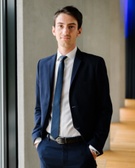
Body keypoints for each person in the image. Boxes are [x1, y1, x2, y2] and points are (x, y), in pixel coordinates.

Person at [32, 5, 112, 168]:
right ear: (53, 30)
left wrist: (94, 147)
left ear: (79, 31)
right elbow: (40, 106)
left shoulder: (94, 64)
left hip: (81, 150)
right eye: (60, 26)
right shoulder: (43, 65)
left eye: (71, 26)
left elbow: (105, 109)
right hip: (48, 149)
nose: (65, 31)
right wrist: (37, 140)